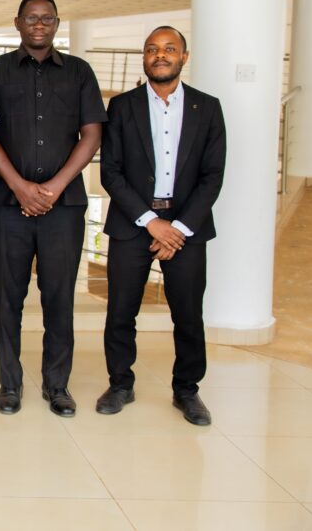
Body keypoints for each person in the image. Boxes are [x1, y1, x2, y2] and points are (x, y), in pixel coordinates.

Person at [0, 0, 106, 417]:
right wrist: (19, 187)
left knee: (59, 299)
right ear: (17, 23)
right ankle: (10, 384)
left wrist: (53, 187)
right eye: (31, 18)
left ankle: (58, 385)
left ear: (57, 24)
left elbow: (92, 134)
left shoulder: (79, 72)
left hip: (63, 208)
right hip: (6, 205)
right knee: (7, 300)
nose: (39, 24)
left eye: (47, 18)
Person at [98, 26, 225, 426]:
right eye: (152, 49)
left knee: (187, 314)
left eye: (170, 49)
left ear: (184, 57)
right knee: (121, 311)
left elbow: (212, 176)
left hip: (187, 227)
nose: (160, 55)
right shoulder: (122, 106)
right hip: (133, 222)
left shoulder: (208, 108)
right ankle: (121, 384)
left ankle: (187, 390)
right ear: (144, 57)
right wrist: (152, 222)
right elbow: (111, 172)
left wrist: (179, 228)